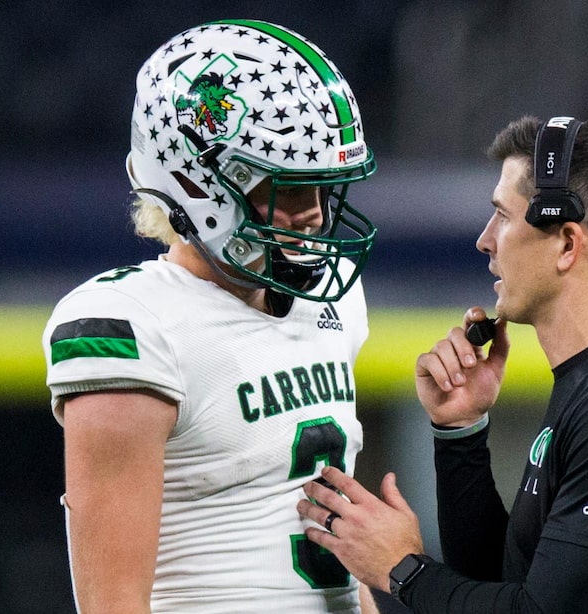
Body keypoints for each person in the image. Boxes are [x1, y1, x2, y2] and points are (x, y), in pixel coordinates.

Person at [297, 116, 588, 612]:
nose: (485, 240)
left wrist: (401, 569)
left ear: (567, 244)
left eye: (503, 216)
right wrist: (459, 431)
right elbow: (502, 583)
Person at [42, 19, 381, 613]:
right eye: (285, 188)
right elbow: (112, 604)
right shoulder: (133, 323)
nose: (313, 216)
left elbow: (338, 566)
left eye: (323, 188)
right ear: (196, 187)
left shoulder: (333, 298)